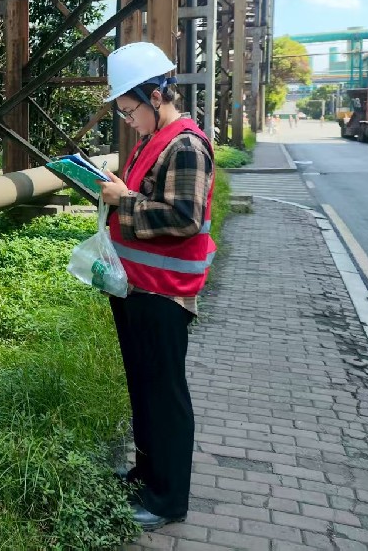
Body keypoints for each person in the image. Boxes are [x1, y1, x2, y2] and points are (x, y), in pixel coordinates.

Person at [97, 42, 216, 532]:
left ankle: (168, 499)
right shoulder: (155, 141)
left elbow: (183, 218)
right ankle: (146, 474)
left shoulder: (184, 145)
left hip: (165, 294)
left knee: (164, 394)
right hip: (138, 288)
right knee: (144, 390)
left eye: (130, 110)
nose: (129, 120)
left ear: (157, 93)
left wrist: (123, 202)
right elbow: (148, 197)